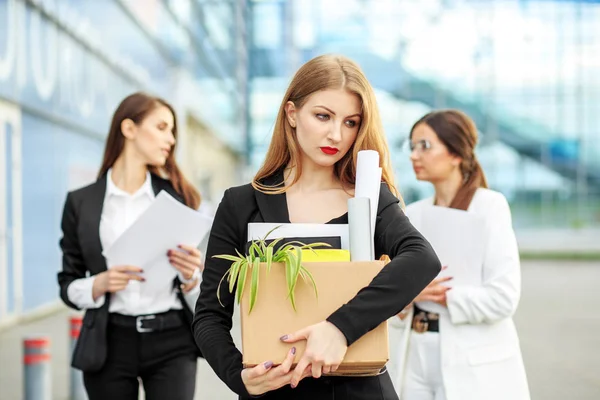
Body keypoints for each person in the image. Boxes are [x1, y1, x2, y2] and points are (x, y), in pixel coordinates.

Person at [192, 54, 441, 400]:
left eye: (351, 122)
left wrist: (338, 329)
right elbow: (209, 316)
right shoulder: (240, 204)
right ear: (292, 114)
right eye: (323, 116)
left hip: (361, 390)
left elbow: (422, 258)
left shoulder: (370, 198)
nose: (336, 134)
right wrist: (239, 376)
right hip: (274, 391)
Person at [57, 92, 204, 400]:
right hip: (109, 342)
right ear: (129, 129)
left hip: (172, 340)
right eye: (162, 127)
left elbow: (200, 295)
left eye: (173, 130)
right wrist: (99, 284)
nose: (171, 139)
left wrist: (191, 277)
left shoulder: (179, 198)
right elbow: (68, 285)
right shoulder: (81, 202)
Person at [388, 109, 530, 400]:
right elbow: (394, 299)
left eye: (425, 146)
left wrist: (442, 295)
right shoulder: (411, 214)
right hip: (412, 355)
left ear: (456, 153)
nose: (414, 155)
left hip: (472, 360)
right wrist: (408, 295)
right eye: (411, 146)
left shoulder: (489, 207)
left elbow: (504, 298)